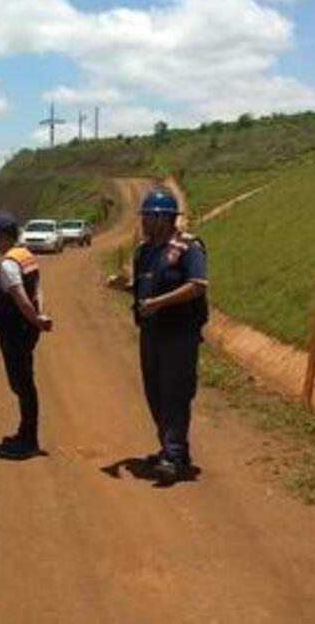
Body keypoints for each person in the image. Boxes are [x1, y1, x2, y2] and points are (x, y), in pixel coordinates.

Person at [133, 188, 208, 482]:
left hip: (180, 335)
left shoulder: (189, 248)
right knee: (155, 393)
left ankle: (173, 456)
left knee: (175, 393)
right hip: (150, 333)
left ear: (163, 218)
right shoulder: (145, 251)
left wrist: (158, 304)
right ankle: (171, 448)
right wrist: (128, 288)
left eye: (148, 217)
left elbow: (197, 285)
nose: (143, 222)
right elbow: (147, 288)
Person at [0, 212, 54, 458]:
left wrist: (34, 318)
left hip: (15, 332)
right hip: (26, 330)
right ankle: (26, 433)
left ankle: (28, 440)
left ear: (2, 236)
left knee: (22, 384)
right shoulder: (26, 256)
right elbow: (37, 289)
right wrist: (39, 316)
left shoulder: (8, 264)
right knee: (24, 383)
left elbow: (21, 298)